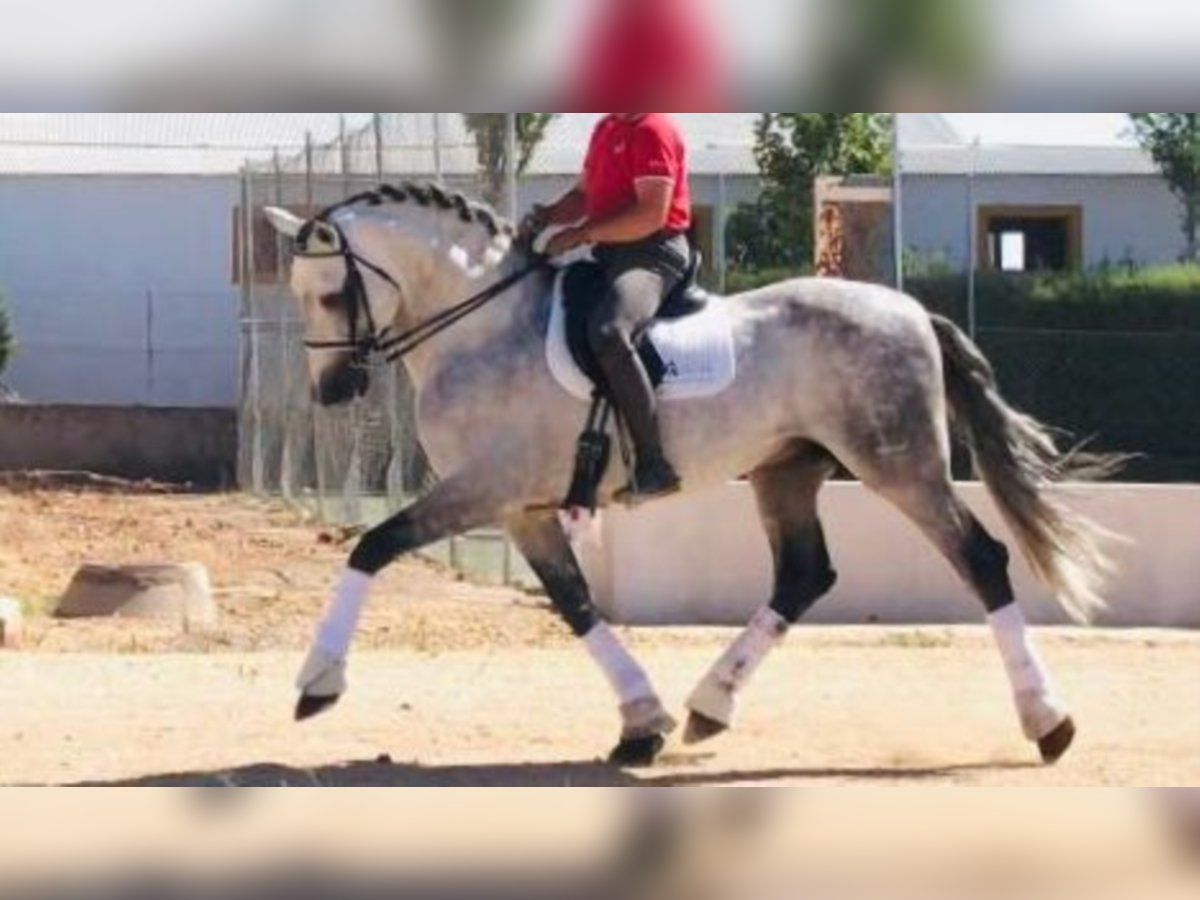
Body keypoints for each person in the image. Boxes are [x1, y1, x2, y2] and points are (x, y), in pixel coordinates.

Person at [522, 113, 692, 504]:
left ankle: (654, 464)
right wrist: (547, 216)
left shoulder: (653, 129)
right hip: (611, 254)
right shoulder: (606, 128)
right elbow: (583, 196)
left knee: (609, 331)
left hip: (652, 253)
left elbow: (651, 214)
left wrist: (581, 234)